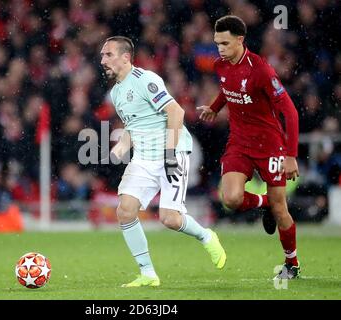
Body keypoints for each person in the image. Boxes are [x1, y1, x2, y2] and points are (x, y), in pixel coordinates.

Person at [100, 36, 226, 287]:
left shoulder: (145, 80)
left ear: (126, 57)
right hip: (144, 157)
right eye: (102, 56)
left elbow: (176, 112)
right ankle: (147, 273)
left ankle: (206, 236)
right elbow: (133, 126)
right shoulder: (115, 93)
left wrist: (169, 155)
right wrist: (120, 148)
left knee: (169, 218)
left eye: (108, 55)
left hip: (172, 151)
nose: (103, 60)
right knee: (125, 211)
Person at [198, 16, 300, 280]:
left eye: (224, 43)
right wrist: (215, 107)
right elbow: (227, 88)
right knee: (230, 199)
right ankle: (263, 202)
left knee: (281, 210)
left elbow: (290, 112)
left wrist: (290, 155)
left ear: (240, 40)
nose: (219, 48)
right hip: (239, 143)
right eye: (216, 43)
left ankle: (292, 263)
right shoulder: (220, 65)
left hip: (270, 146)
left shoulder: (261, 70)